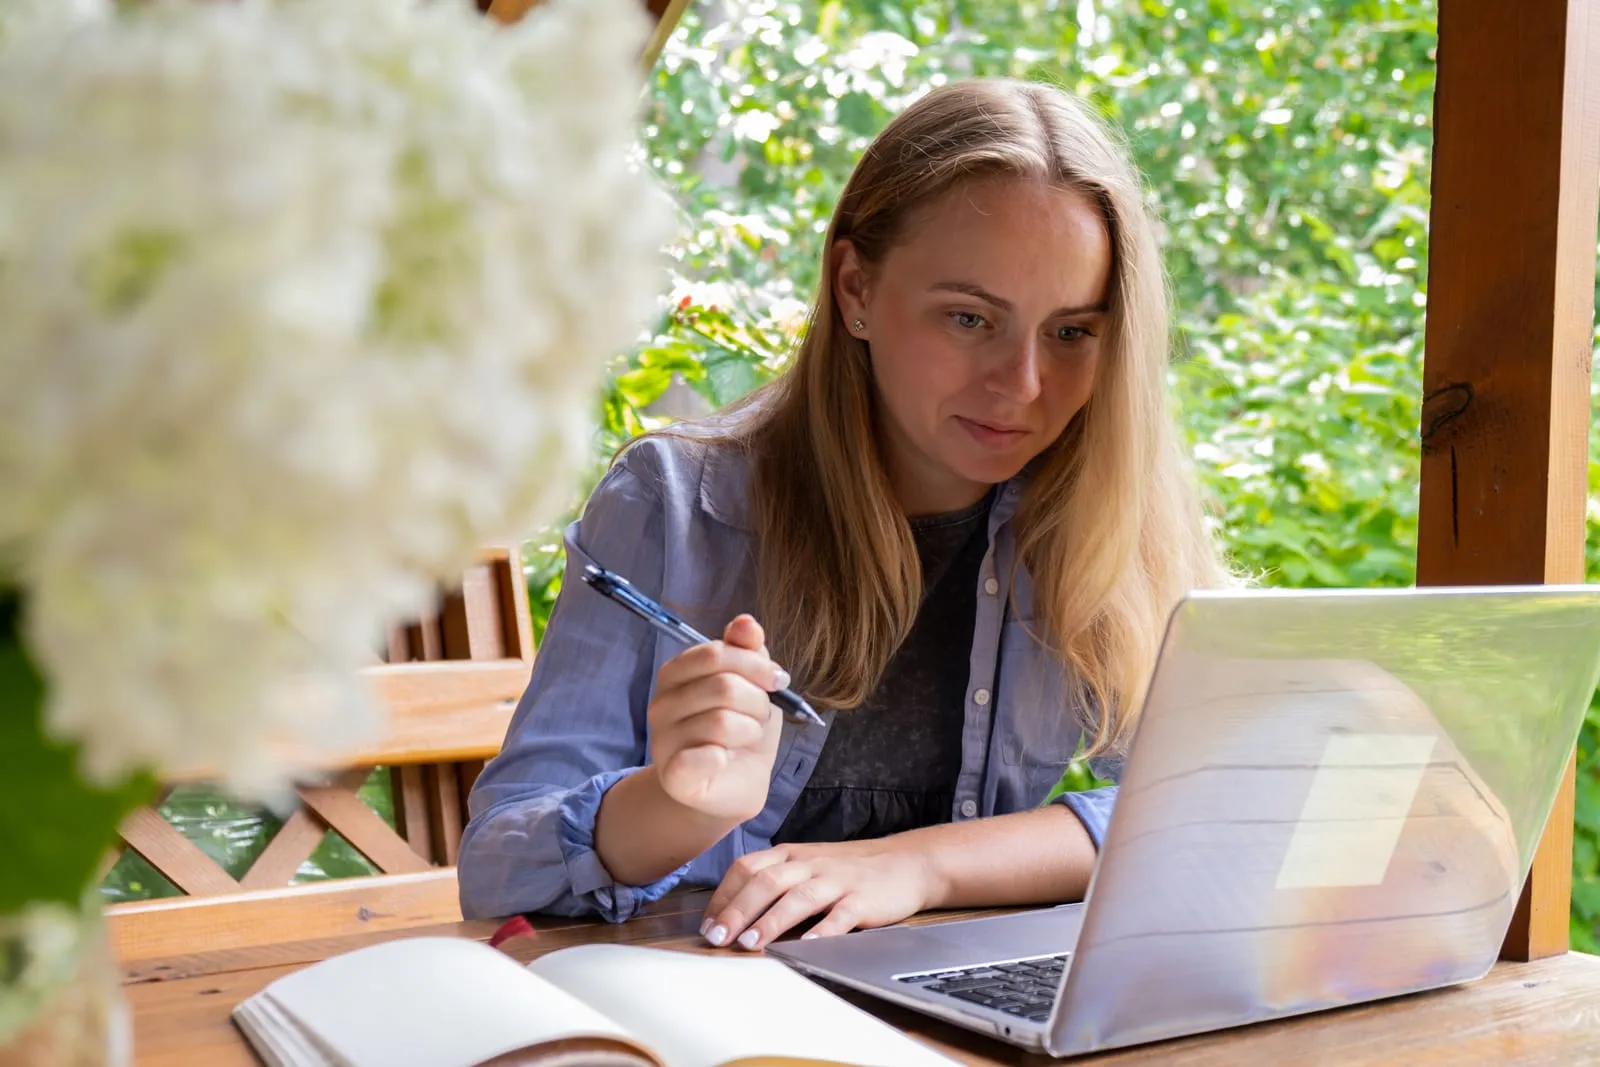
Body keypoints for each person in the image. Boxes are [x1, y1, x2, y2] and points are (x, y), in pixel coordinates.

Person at [457, 77, 1226, 951]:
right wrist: (673, 802)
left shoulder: (1102, 509)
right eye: (970, 318)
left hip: (949, 1006)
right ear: (855, 287)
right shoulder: (675, 503)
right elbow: (498, 866)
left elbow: (1208, 803)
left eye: (1072, 332)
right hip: (707, 998)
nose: (1022, 386)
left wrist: (922, 865)